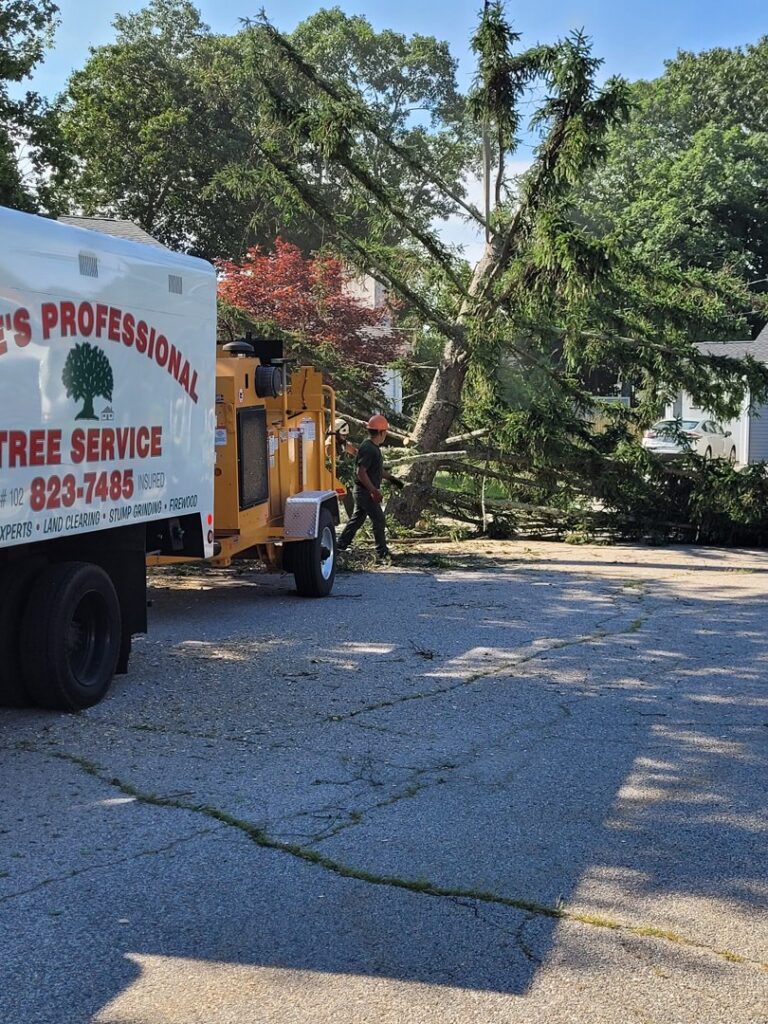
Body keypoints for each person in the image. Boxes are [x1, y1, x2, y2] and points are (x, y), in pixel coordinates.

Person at [337, 414, 403, 562]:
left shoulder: (372, 447)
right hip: (365, 491)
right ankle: (382, 553)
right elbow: (360, 472)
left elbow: (376, 470)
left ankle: (340, 546)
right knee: (379, 520)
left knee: (357, 520)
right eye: (385, 431)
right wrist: (373, 491)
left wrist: (392, 479)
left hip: (364, 491)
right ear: (381, 432)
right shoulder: (369, 448)